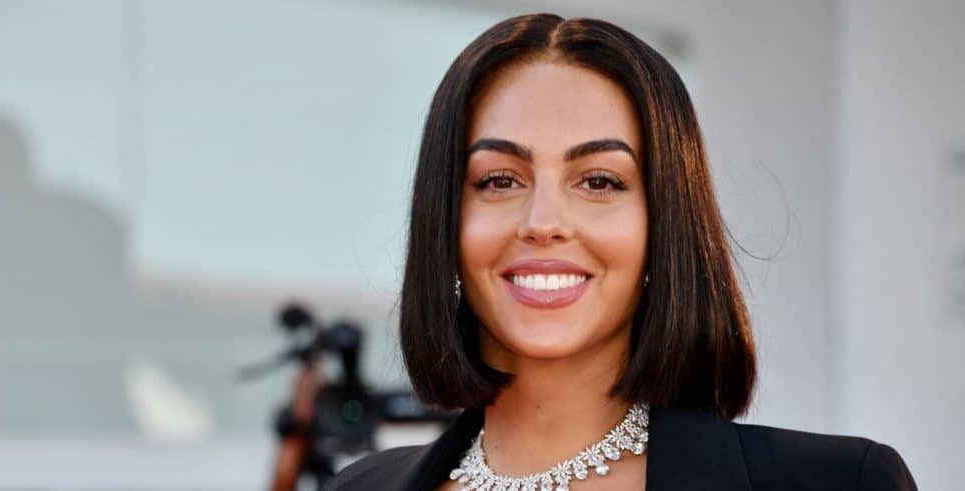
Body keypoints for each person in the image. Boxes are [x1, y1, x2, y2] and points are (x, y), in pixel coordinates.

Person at [326, 13, 917, 491]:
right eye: (500, 180)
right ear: (446, 221)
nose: (544, 223)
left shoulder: (841, 482)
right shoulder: (358, 488)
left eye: (599, 181)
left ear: (665, 226)